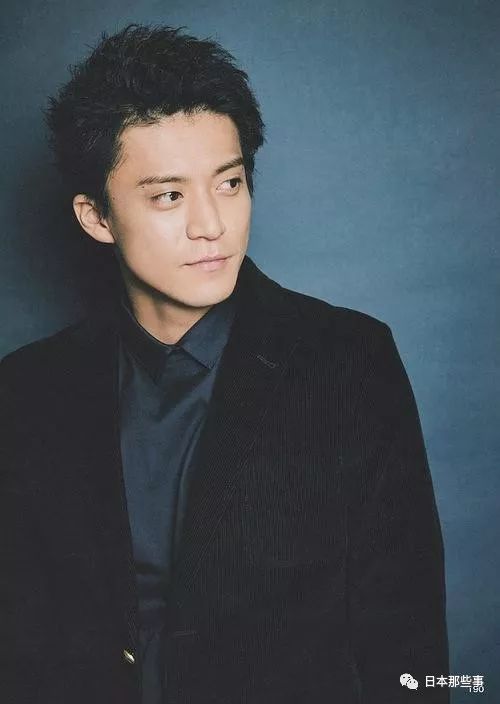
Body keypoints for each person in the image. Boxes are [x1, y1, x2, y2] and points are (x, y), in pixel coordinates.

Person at [0, 23, 450, 704]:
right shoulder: (28, 390)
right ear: (96, 217)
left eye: (230, 183)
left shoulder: (350, 363)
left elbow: (409, 650)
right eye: (169, 196)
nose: (211, 225)